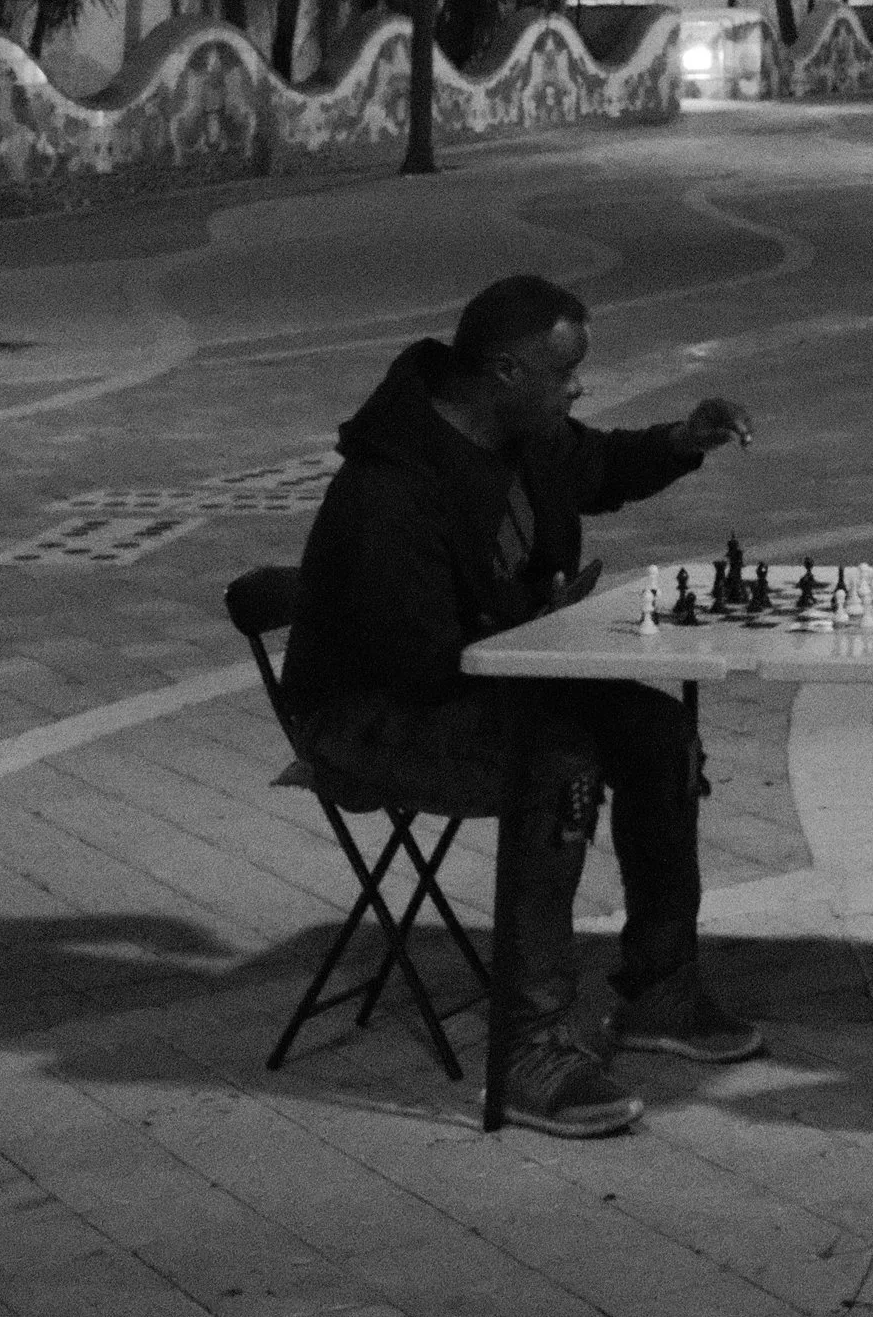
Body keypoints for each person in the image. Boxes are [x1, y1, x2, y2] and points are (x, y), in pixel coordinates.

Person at [284, 270, 763, 1139]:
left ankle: (660, 988)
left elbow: (599, 465)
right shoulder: (389, 488)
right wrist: (534, 627)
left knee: (658, 729)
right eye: (566, 369)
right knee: (557, 764)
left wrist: (681, 440)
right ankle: (531, 1047)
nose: (580, 385)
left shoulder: (522, 433)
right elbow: (413, 657)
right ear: (506, 371)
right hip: (374, 711)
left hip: (499, 672)